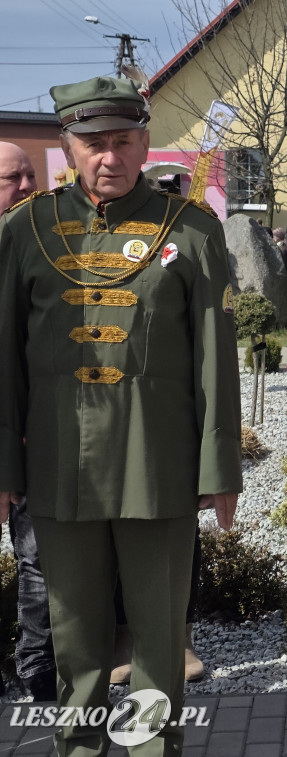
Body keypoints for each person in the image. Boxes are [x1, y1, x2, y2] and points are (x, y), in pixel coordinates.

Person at [0, 76, 242, 755]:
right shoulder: (25, 230)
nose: (108, 158)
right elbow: (2, 361)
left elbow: (215, 359)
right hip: (59, 468)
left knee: (159, 638)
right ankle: (78, 747)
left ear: (144, 143)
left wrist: (219, 467)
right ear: (69, 147)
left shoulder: (192, 230)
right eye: (93, 143)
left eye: (122, 142)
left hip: (156, 468)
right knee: (73, 636)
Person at [0, 141, 57, 702]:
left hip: (27, 431)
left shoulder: (41, 247)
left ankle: (38, 668)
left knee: (38, 558)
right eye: (11, 179)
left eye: (29, 176)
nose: (25, 188)